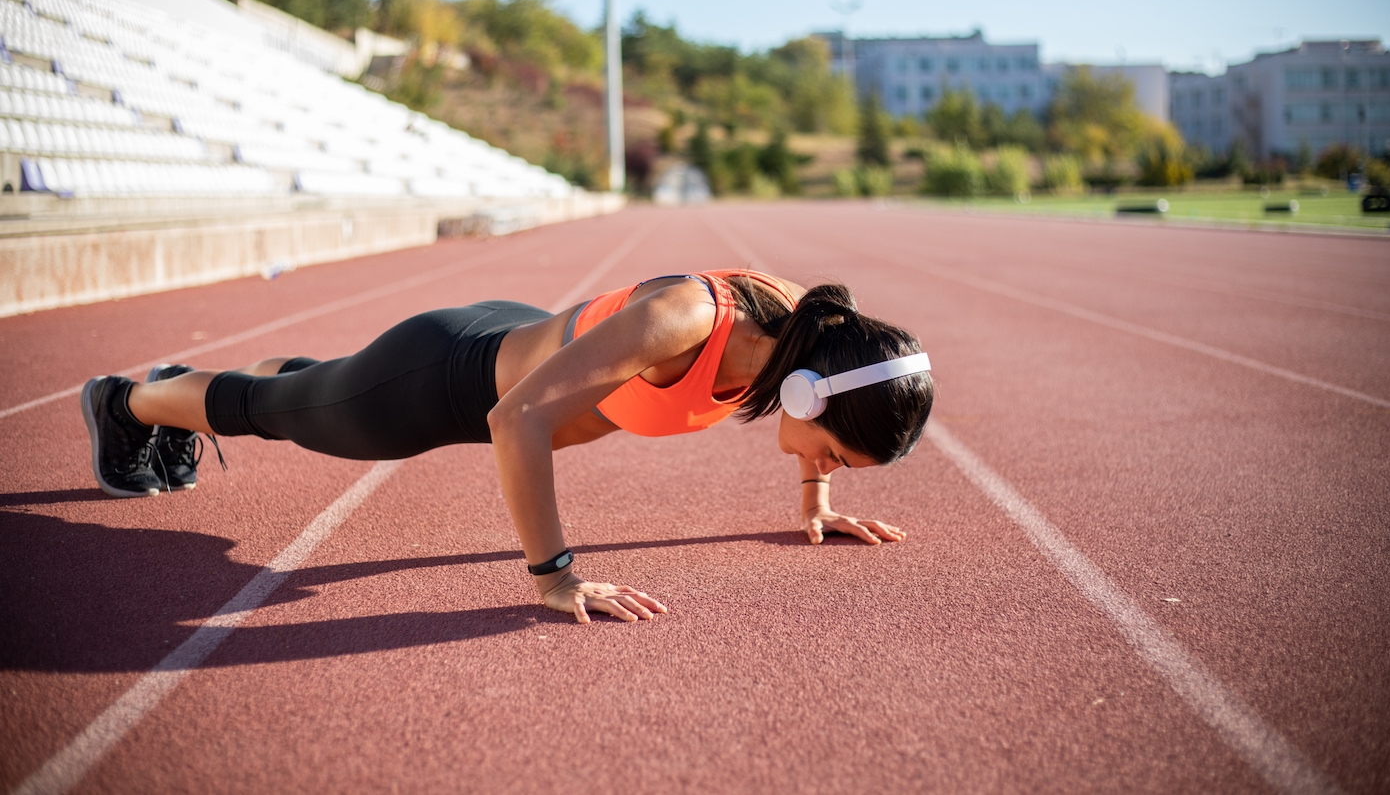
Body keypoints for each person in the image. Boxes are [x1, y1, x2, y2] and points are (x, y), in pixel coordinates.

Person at [81, 271, 935, 624]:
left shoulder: (809, 336)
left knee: (309, 394)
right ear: (808, 392)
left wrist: (817, 501)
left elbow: (819, 433)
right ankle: (128, 401)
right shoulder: (693, 319)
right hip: (445, 380)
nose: (823, 463)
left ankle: (250, 385)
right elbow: (515, 420)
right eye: (834, 455)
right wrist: (556, 578)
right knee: (272, 411)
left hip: (510, 341)